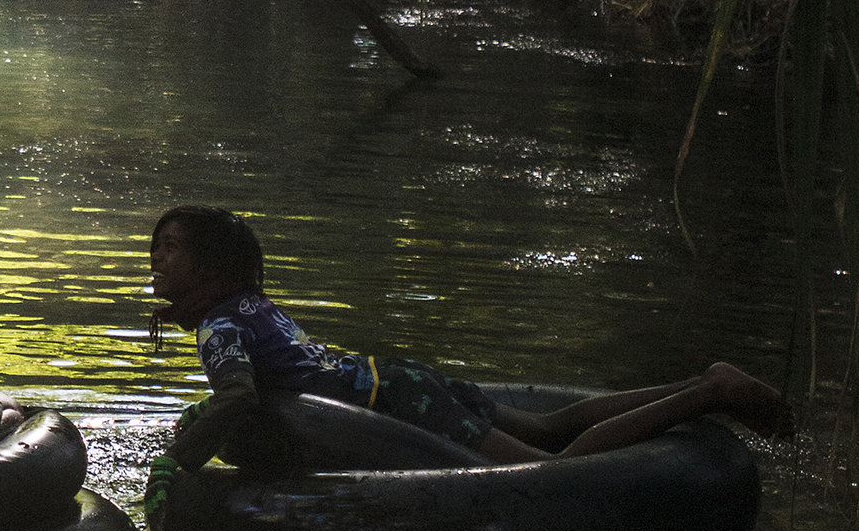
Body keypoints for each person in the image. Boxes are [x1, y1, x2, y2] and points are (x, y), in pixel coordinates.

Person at [146, 203, 791, 474]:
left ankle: (711, 392)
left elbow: (236, 398)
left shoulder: (222, 326)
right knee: (552, 424)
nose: (156, 263)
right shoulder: (251, 306)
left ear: (211, 269)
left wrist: (177, 465)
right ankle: (701, 382)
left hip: (397, 403)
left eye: (171, 251)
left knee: (550, 470)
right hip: (398, 381)